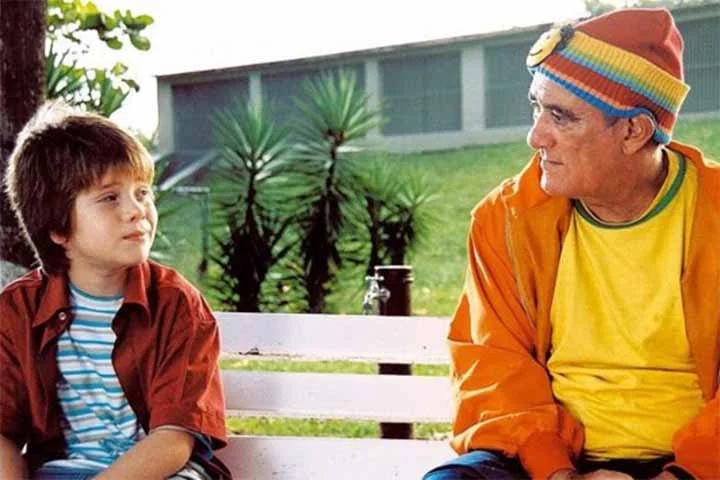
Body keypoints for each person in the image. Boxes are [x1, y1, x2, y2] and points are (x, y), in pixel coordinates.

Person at [424, 7, 718, 480]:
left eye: (561, 117)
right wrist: (557, 472)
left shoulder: (714, 212)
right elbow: (494, 367)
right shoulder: (506, 219)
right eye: (537, 108)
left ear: (634, 131)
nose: (536, 136)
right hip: (541, 455)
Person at [0, 102, 231, 480]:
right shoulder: (17, 309)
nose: (137, 210)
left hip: (160, 472)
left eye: (142, 192)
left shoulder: (177, 305)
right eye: (110, 197)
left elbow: (174, 440)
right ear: (57, 228)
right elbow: (3, 435)